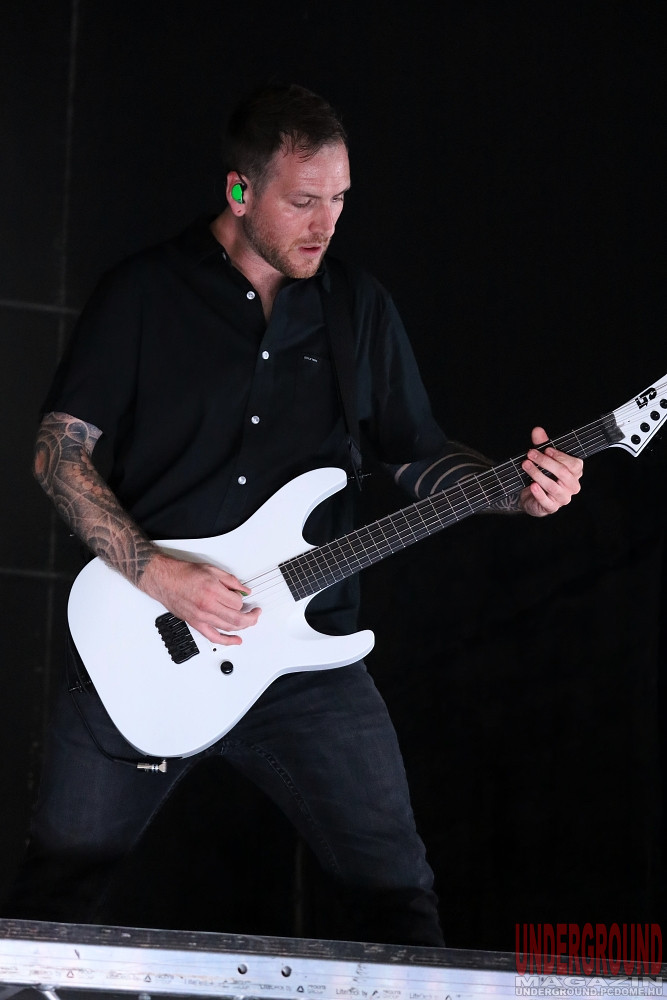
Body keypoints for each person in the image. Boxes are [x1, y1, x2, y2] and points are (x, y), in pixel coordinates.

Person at [6, 83, 583, 946]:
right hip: (144, 636)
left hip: (305, 666)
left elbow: (414, 454)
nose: (326, 223)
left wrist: (512, 488)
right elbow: (57, 454)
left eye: (340, 199)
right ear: (239, 190)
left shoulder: (358, 308)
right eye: (303, 200)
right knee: (50, 905)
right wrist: (161, 575)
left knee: (399, 902)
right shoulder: (144, 293)